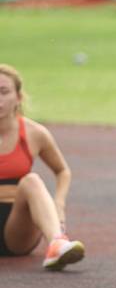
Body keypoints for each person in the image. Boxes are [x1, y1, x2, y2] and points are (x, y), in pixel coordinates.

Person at [0, 64, 85, 271]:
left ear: (18, 97)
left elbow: (62, 171)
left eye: (4, 92)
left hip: (17, 228)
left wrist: (59, 204)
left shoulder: (34, 133)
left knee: (32, 180)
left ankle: (57, 243)